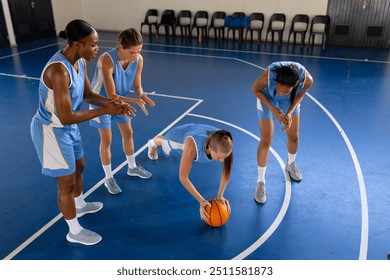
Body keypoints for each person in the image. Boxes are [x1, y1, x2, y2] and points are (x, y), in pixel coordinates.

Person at [30, 19, 134, 246]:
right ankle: (74, 231)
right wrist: (105, 110)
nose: (97, 49)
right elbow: (65, 115)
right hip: (52, 129)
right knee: (65, 183)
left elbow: (88, 95)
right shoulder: (58, 70)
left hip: (68, 126)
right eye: (93, 45)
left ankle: (79, 204)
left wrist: (112, 103)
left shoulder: (80, 63)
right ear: (78, 45)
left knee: (80, 167)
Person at [89, 28, 155, 195]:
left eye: (139, 51)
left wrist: (142, 95)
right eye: (132, 52)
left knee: (128, 133)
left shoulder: (138, 59)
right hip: (101, 103)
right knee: (107, 140)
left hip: (121, 102)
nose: (136, 56)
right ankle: (108, 178)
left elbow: (138, 87)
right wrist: (134, 100)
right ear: (122, 47)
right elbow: (111, 95)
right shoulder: (107, 60)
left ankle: (132, 167)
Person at [251, 61, 313, 204]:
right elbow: (255, 89)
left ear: (296, 83)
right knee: (266, 140)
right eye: (278, 89)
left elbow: (300, 95)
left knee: (294, 137)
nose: (280, 93)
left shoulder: (307, 80)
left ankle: (290, 164)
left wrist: (289, 113)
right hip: (266, 98)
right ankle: (260, 182)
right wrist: (274, 110)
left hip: (290, 101)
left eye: (285, 90)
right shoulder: (268, 77)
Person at [147, 123, 233, 221]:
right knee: (164, 145)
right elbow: (183, 177)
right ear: (209, 148)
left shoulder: (224, 142)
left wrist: (220, 195)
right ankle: (152, 142)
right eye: (219, 158)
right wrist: (202, 201)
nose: (222, 160)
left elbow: (227, 169)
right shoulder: (191, 147)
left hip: (195, 131)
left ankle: (185, 156)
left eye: (224, 157)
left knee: (186, 155)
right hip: (176, 137)